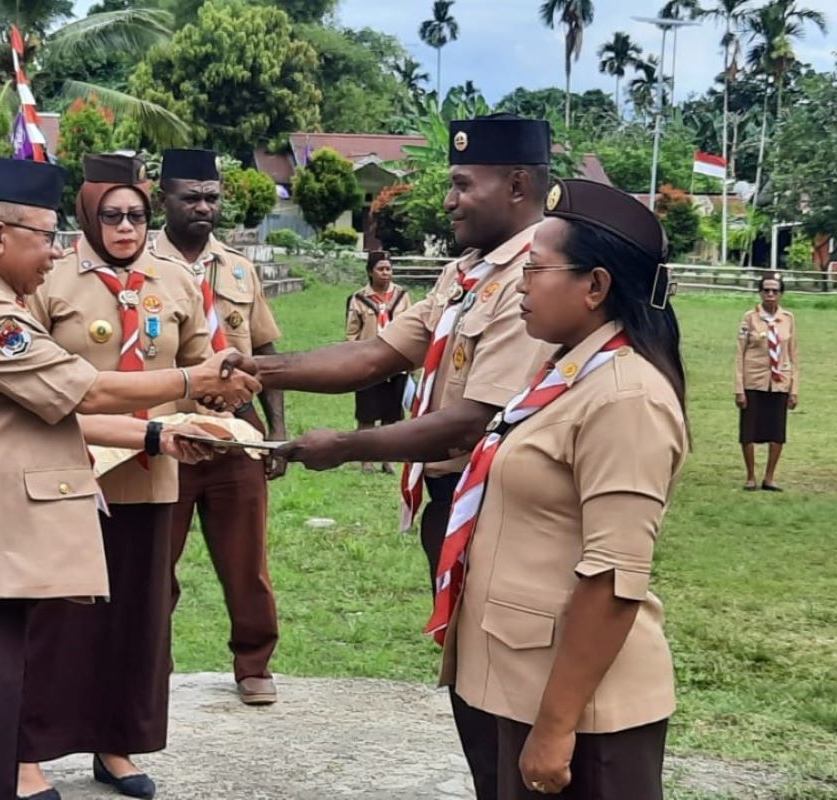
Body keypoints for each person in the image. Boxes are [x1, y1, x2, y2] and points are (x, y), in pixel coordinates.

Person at [0, 156, 258, 800]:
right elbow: (82, 388)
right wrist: (196, 381)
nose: (56, 254)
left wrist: (158, 432)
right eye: (46, 236)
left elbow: (37, 418)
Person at [260, 113, 553, 800]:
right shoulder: (465, 274)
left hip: (504, 512)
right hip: (453, 507)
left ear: (516, 184)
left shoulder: (537, 275)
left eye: (461, 184)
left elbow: (473, 420)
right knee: (468, 674)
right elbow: (377, 354)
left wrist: (345, 447)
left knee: (505, 688)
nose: (447, 199)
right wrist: (260, 370)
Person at [430, 178, 686, 799]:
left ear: (595, 286)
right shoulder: (567, 373)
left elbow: (613, 580)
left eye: (536, 269)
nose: (520, 284)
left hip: (581, 715)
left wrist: (555, 727)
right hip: (523, 683)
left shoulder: (626, 397)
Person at [17, 154, 218, 799]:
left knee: (139, 615)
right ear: (88, 215)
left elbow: (198, 364)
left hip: (154, 471)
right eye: (112, 215)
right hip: (70, 476)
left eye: (136, 215)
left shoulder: (175, 280)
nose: (126, 228)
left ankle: (118, 745)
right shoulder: (50, 281)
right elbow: (38, 388)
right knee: (54, 617)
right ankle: (28, 752)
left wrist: (220, 403)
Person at [150, 148, 289, 707]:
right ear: (164, 199)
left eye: (212, 196)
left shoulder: (237, 266)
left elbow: (268, 350)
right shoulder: (141, 263)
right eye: (192, 197)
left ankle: (253, 663)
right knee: (157, 557)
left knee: (246, 558)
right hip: (168, 431)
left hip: (237, 430)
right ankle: (150, 662)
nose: (204, 207)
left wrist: (275, 431)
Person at [346, 249, 412, 473]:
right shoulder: (358, 299)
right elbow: (351, 334)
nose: (386, 273)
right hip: (368, 361)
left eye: (389, 269)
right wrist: (353, 360)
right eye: (381, 269)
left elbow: (412, 327)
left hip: (395, 361)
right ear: (370, 272)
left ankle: (387, 458)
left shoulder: (402, 296)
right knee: (367, 413)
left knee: (391, 414)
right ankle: (366, 458)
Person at [734, 272, 799, 491]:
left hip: (779, 381)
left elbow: (793, 355)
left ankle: (769, 477)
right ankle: (750, 476)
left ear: (781, 294)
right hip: (753, 381)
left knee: (777, 432)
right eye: (766, 290)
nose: (770, 294)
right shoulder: (749, 318)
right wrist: (739, 388)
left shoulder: (788, 319)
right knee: (748, 431)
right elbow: (739, 354)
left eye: (775, 291)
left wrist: (794, 389)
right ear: (760, 292)